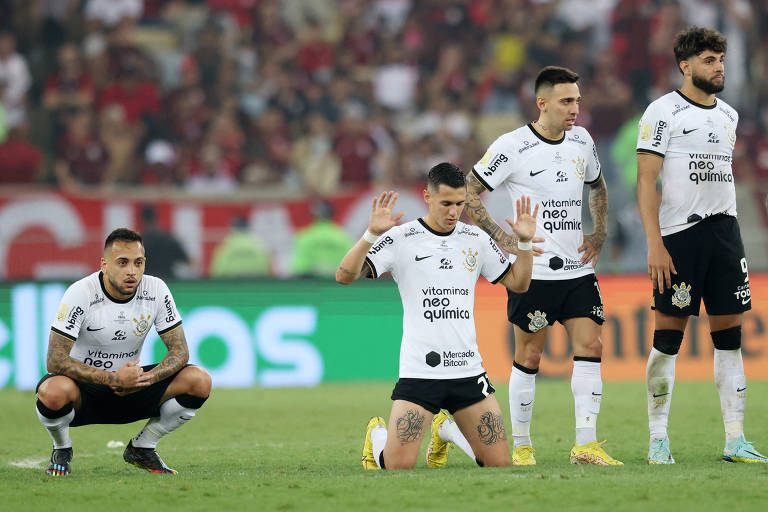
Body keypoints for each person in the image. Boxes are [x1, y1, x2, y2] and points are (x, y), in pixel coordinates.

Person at [464, 66, 622, 466]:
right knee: (529, 357)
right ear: (542, 103)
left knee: (592, 346)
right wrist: (502, 239)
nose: (575, 109)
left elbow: (597, 185)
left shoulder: (583, 140)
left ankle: (585, 445)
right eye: (567, 101)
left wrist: (599, 231)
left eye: (577, 101)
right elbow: (469, 192)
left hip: (578, 270)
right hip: (534, 273)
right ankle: (521, 446)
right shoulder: (512, 146)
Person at [337, 162, 537, 470]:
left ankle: (445, 431)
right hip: (421, 372)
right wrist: (370, 234)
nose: (454, 211)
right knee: (397, 467)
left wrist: (523, 243)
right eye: (446, 203)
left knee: (499, 465)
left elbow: (519, 283)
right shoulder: (402, 237)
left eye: (459, 204)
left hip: (467, 370)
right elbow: (344, 276)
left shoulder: (476, 239)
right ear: (427, 197)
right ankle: (378, 434)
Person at [637, 26, 767, 465]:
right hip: (680, 239)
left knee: (729, 339)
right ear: (685, 65)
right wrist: (655, 244)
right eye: (709, 61)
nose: (719, 68)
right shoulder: (662, 112)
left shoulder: (728, 115)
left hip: (725, 235)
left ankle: (735, 439)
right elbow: (645, 181)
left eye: (721, 60)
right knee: (667, 340)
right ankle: (658, 439)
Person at [35, 228, 212, 475]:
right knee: (52, 392)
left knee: (199, 380)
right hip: (85, 390)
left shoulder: (156, 289)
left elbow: (180, 351)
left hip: (134, 386)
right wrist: (112, 379)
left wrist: (145, 378)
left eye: (138, 263)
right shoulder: (81, 292)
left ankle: (143, 447)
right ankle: (62, 449)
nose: (132, 271)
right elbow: (54, 360)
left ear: (144, 264)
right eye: (122, 263)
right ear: (104, 265)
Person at [291, 200, 353, 278]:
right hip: (338, 285)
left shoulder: (304, 237)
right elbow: (352, 268)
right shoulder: (344, 237)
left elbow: (300, 269)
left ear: (312, 215)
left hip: (313, 286)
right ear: (332, 214)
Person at [140, 205, 191, 280]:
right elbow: (187, 260)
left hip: (146, 283)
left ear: (142, 219)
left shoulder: (138, 242)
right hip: (168, 282)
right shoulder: (168, 238)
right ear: (156, 218)